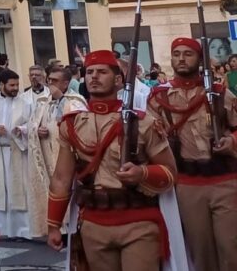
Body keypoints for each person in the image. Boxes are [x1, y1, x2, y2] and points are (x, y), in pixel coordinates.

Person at [46, 50, 178, 271]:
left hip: (138, 221)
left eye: (102, 72)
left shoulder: (143, 123)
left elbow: (171, 172)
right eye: (89, 72)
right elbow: (61, 178)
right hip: (93, 223)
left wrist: (142, 174)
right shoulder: (72, 124)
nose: (94, 77)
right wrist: (53, 225)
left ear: (118, 80)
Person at [148, 36, 237, 271]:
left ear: (199, 58)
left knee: (232, 249)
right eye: (176, 54)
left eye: (188, 54)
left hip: (225, 181)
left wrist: (232, 142)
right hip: (187, 184)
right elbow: (149, 140)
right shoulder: (159, 97)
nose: (181, 59)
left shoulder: (219, 93)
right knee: (200, 251)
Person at [25, 65, 86, 243]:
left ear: (66, 83)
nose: (50, 83)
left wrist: (59, 100)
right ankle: (53, 225)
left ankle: (70, 225)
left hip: (65, 156)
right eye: (49, 80)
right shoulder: (42, 101)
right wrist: (37, 130)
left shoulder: (76, 101)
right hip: (46, 153)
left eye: (55, 81)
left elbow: (78, 125)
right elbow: (31, 124)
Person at [0, 67, 30, 238]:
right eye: (11, 85)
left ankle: (22, 230)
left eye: (17, 84)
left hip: (17, 150)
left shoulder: (25, 102)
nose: (15, 88)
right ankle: (2, 230)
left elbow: (32, 123)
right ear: (1, 84)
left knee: (19, 190)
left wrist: (22, 129)